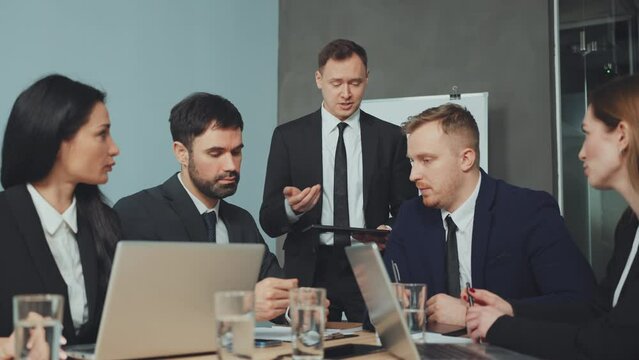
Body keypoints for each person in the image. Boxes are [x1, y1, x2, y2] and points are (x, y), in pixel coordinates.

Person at [465, 75, 639, 359]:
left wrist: (500, 327)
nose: (581, 153)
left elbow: (610, 344)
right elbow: (597, 312)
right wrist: (511, 309)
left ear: (621, 135)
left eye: (587, 133)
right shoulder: (630, 226)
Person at [383, 103, 596, 327]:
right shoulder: (410, 216)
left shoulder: (528, 211)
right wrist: (400, 308)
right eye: (412, 161)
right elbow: (378, 313)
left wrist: (475, 316)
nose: (413, 175)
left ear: (466, 159)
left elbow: (581, 303)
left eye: (426, 160)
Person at [260, 39, 415, 321]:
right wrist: (291, 209)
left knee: (377, 345)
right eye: (336, 83)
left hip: (370, 264)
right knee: (307, 347)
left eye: (355, 83)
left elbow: (409, 208)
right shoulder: (288, 137)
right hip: (309, 267)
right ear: (319, 79)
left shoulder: (390, 138)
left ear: (367, 79)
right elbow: (269, 221)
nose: (346, 93)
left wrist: (387, 228)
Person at [114, 93, 297, 322]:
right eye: (215, 153)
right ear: (181, 153)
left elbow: (276, 295)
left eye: (236, 152)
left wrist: (297, 310)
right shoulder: (137, 212)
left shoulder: (242, 221)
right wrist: (243, 305)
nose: (231, 165)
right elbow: (143, 310)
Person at [0, 74, 121, 352]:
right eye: (102, 134)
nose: (114, 148)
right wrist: (7, 346)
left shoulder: (105, 220)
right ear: (57, 141)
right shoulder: (3, 219)